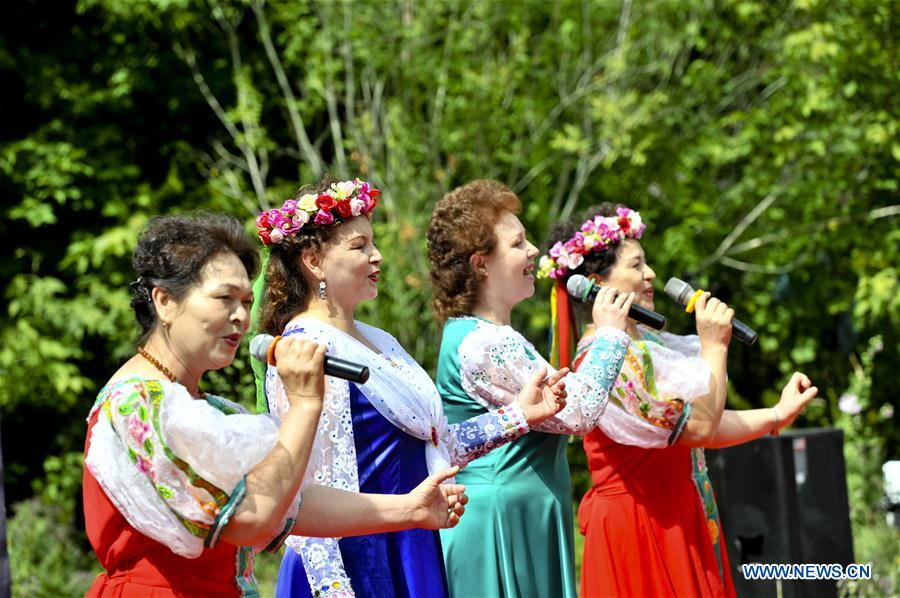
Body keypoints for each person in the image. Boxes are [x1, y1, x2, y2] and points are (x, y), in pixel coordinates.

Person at [83, 214, 470, 597]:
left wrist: (410, 509)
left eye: (246, 301)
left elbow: (293, 505)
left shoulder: (215, 410)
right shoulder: (136, 403)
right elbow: (251, 518)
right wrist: (303, 405)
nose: (239, 316)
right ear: (165, 301)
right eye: (224, 298)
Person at [253, 178, 569, 598]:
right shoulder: (307, 351)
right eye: (359, 246)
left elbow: (431, 450)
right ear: (313, 260)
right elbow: (307, 493)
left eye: (374, 243)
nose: (376, 256)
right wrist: (334, 589)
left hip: (408, 540)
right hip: (356, 561)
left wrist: (520, 416)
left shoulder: (378, 340)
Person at [541, 203, 819, 597]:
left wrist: (776, 415)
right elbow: (702, 427)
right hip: (642, 526)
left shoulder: (648, 345)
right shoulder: (608, 362)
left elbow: (696, 428)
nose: (651, 274)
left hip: (676, 515)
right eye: (636, 266)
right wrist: (714, 346)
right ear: (596, 283)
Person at [425, 180, 636, 598]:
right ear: (481, 264)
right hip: (503, 520)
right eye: (518, 243)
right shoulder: (486, 342)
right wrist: (609, 335)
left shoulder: (480, 334)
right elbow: (577, 413)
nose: (533, 251)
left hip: (520, 511)